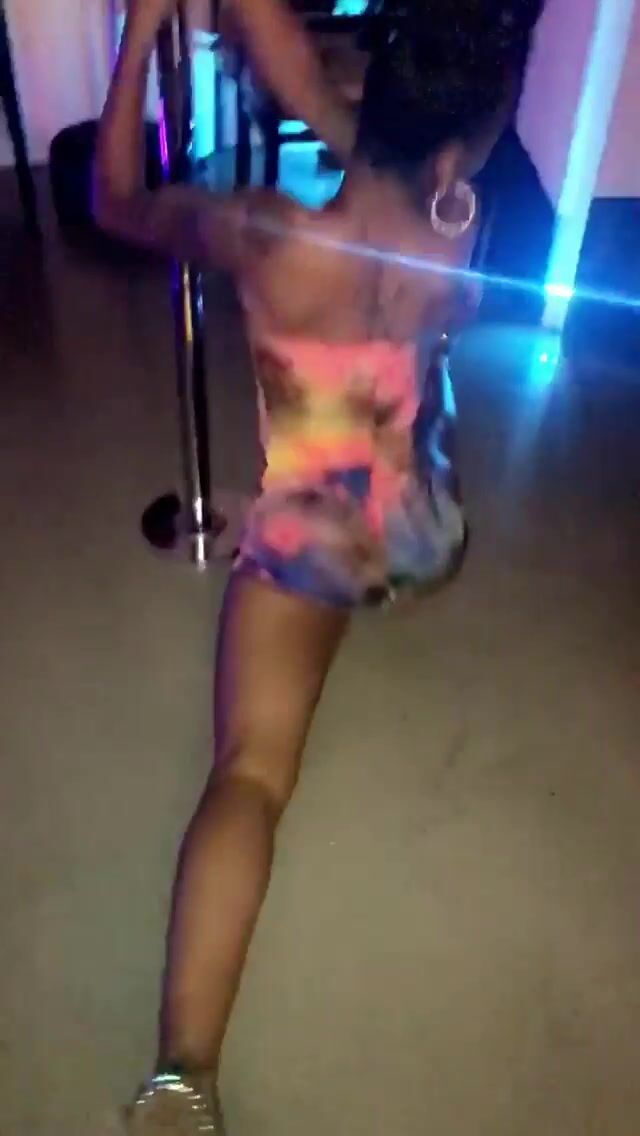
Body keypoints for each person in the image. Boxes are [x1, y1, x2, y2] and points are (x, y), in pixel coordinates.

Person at [95, 0, 543, 1130]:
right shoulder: (463, 210)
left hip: (310, 549)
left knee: (250, 774)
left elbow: (114, 199)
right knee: (417, 405)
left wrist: (143, 33)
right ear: (460, 147)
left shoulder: (264, 235)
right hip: (421, 535)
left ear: (374, 95)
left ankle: (183, 1072)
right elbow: (349, 115)